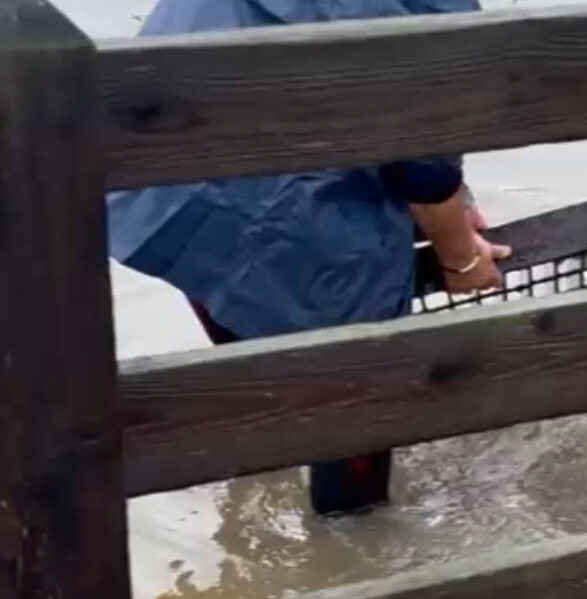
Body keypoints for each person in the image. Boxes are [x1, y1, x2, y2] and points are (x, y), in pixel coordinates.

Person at [107, 0, 508, 516]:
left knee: (259, 375)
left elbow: (381, 82)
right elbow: (423, 162)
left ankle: (245, 516)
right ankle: (352, 553)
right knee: (354, 407)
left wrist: (457, 199)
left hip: (157, 185)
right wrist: (461, 262)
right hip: (259, 196)